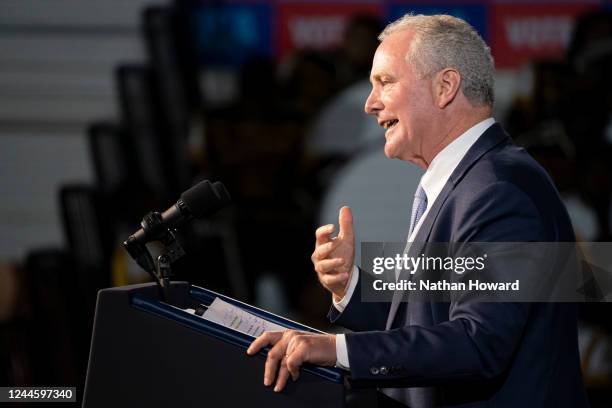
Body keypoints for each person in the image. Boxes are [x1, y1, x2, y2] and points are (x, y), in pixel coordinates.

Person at [247, 14, 589, 407]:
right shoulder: (472, 180)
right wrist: (351, 287)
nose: (369, 103)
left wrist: (338, 350)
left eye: (386, 82)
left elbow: (476, 342)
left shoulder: (498, 191)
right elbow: (434, 315)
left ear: (445, 86)